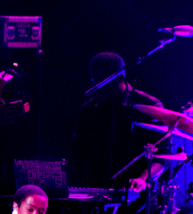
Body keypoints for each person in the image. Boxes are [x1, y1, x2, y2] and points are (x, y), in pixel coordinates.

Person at [70, 52, 165, 191]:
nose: (98, 87)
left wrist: (142, 178)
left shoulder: (149, 106)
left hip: (136, 192)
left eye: (103, 81)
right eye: (94, 81)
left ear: (120, 77)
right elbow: (77, 153)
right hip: (96, 189)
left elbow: (162, 156)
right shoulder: (89, 109)